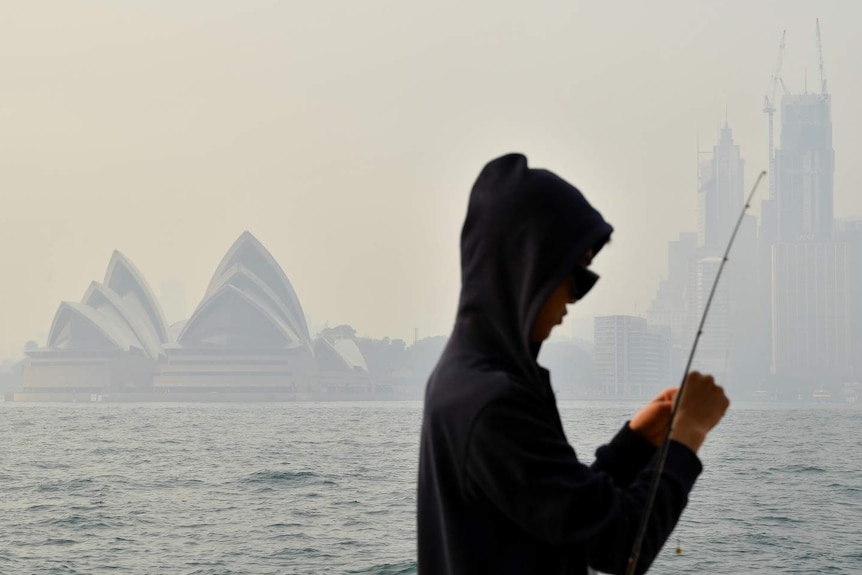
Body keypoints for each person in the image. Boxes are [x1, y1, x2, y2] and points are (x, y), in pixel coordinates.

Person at [417, 153, 729, 575]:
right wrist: (687, 437)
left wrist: (635, 442)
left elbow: (565, 514)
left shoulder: (473, 379)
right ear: (529, 270)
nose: (576, 296)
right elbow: (621, 546)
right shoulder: (493, 402)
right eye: (575, 274)